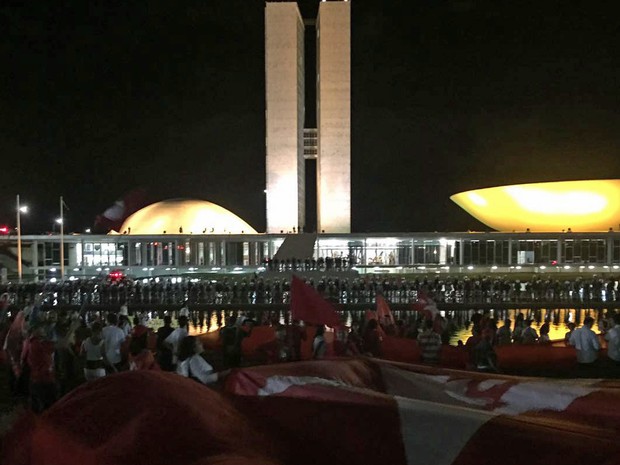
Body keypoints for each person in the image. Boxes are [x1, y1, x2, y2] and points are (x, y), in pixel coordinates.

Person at [21, 323, 57, 413]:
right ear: (35, 331)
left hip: (34, 378)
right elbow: (59, 345)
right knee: (48, 405)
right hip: (44, 378)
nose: (44, 331)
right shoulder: (38, 344)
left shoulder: (28, 343)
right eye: (41, 329)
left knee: (36, 405)